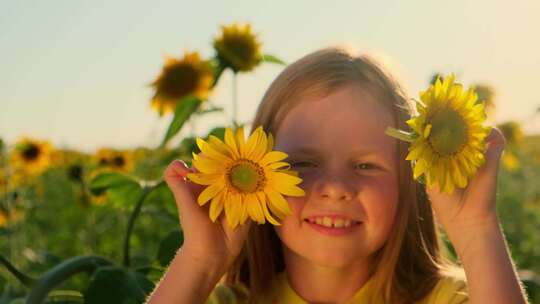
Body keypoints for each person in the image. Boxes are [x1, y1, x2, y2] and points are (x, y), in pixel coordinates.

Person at [146, 47, 528, 303]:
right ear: (258, 168)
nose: (334, 188)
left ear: (410, 181)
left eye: (365, 165)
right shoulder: (223, 299)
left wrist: (477, 231)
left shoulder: (454, 297)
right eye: (302, 165)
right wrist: (200, 260)